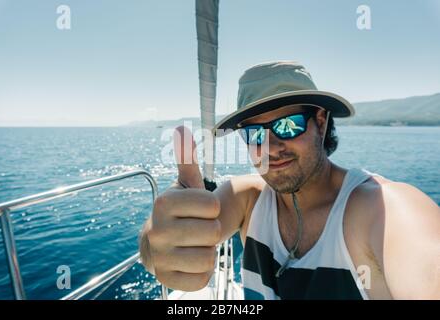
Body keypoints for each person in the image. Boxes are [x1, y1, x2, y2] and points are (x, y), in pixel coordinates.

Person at [139, 61, 440, 299]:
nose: (270, 148)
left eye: (287, 125)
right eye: (255, 134)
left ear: (320, 123)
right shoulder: (247, 200)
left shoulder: (382, 209)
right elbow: (160, 247)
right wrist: (159, 239)